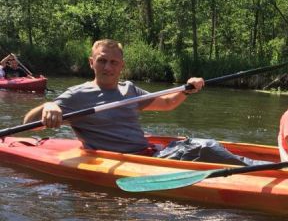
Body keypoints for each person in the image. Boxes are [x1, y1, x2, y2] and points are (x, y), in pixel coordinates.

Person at [23, 39, 266, 166]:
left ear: (122, 65)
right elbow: (29, 124)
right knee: (207, 147)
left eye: (114, 62)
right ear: (91, 62)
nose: (108, 67)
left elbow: (167, 103)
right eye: (102, 61)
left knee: (205, 147)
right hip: (125, 160)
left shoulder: (129, 89)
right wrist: (50, 106)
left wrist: (188, 90)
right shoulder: (77, 95)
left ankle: (264, 166)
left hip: (150, 154)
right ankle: (269, 168)